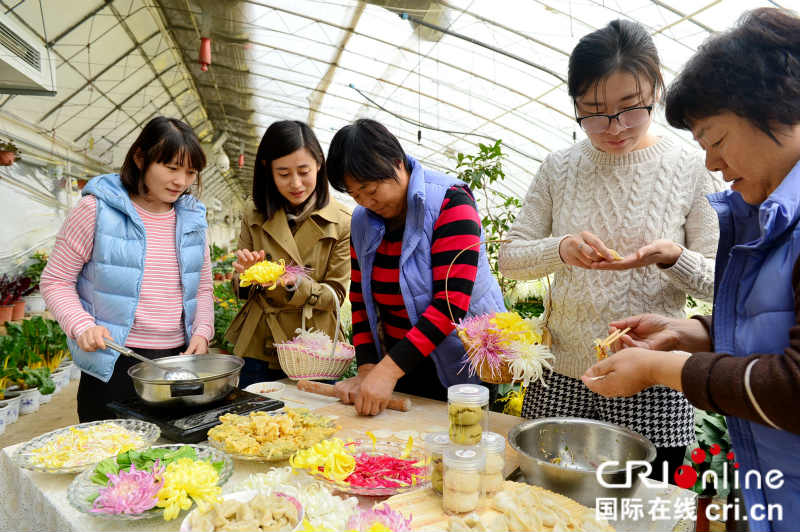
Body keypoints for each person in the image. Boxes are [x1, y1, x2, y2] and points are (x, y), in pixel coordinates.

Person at [583, 8, 800, 530]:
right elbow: (772, 326)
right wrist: (691, 333)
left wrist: (663, 369)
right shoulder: (769, 213)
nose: (712, 164)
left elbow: (794, 384)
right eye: (594, 112)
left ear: (777, 110)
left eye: (717, 140)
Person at [498, 19, 724, 481]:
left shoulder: (689, 167)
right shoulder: (560, 168)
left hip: (653, 383)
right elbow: (510, 258)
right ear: (575, 104)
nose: (614, 127)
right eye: (594, 112)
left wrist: (672, 259)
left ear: (656, 90)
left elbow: (726, 280)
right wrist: (561, 248)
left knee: (634, 513)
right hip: (562, 379)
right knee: (547, 508)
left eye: (631, 109)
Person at [327, 119, 505, 416]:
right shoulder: (361, 221)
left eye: (371, 190)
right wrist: (369, 367)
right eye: (356, 195)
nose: (366, 202)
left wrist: (386, 372)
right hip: (401, 363)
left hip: (460, 363)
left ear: (397, 163)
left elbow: (450, 305)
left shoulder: (451, 203)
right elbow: (360, 300)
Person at [40, 116, 214, 422]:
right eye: (171, 168)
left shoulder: (193, 220)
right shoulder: (96, 209)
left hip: (177, 360)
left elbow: (202, 287)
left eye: (190, 172)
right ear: (140, 157)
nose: (181, 182)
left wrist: (202, 330)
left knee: (172, 460)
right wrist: (82, 326)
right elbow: (56, 281)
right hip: (114, 361)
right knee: (110, 459)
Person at [224, 120, 351, 388]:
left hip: (313, 347)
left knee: (312, 424)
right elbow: (238, 289)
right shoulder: (253, 212)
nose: (296, 183)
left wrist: (296, 285)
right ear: (267, 170)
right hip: (261, 342)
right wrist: (248, 276)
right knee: (254, 423)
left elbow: (336, 295)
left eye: (304, 171)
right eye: (283, 174)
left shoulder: (341, 221)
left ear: (319, 164)